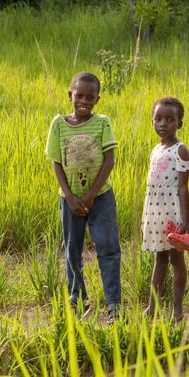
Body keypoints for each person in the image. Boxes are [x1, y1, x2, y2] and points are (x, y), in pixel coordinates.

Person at [45, 72, 122, 324]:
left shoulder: (102, 123)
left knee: (108, 248)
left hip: (100, 196)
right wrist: (70, 196)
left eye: (90, 97)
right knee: (72, 250)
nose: (84, 101)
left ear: (97, 99)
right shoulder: (58, 124)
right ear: (70, 95)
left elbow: (109, 160)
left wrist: (90, 195)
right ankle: (77, 300)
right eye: (79, 96)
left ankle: (114, 305)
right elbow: (56, 162)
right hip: (69, 200)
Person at [142, 97, 189, 323]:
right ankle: (153, 306)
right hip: (156, 210)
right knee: (159, 259)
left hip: (173, 212)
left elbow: (183, 187)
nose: (163, 124)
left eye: (170, 120)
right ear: (152, 121)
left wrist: (183, 220)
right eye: (158, 119)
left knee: (176, 260)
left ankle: (178, 308)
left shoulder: (181, 150)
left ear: (179, 123)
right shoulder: (156, 148)